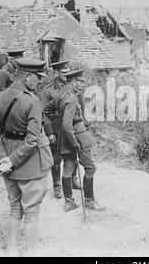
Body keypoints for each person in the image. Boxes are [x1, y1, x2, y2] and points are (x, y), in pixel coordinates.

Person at [0, 58, 53, 257]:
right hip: (31, 163)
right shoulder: (31, 100)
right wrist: (13, 160)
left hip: (8, 158)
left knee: (15, 208)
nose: (40, 82)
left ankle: (11, 252)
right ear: (27, 76)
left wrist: (4, 159)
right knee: (31, 212)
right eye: (38, 78)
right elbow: (33, 139)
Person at [43, 66, 105, 212]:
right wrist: (74, 142)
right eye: (81, 81)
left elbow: (45, 110)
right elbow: (67, 123)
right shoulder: (71, 98)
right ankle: (89, 201)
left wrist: (59, 119)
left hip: (64, 136)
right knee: (90, 168)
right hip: (75, 135)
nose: (83, 85)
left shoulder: (61, 94)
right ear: (73, 81)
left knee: (68, 168)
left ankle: (69, 202)